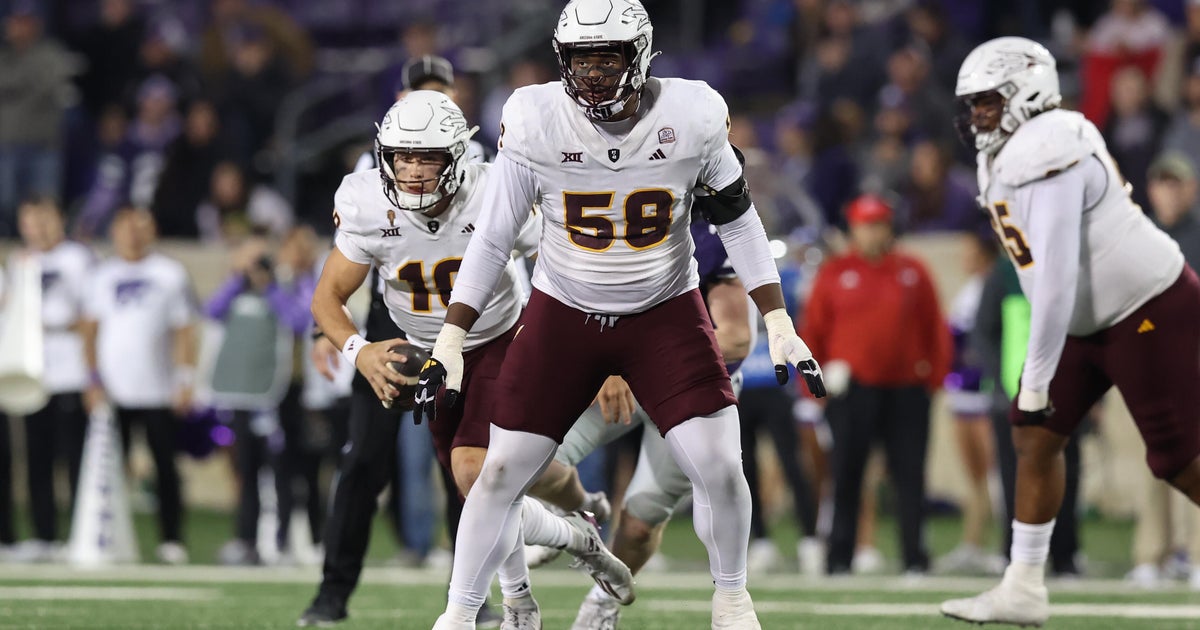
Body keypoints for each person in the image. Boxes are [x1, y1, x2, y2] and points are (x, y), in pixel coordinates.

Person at [417, 1, 826, 627]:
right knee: (498, 473)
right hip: (563, 313)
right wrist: (451, 337)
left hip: (664, 312)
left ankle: (732, 599)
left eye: (606, 60)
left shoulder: (692, 114)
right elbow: (493, 238)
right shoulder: (534, 117)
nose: (591, 75)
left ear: (639, 58)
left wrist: (777, 320)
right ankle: (459, 615)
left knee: (721, 465)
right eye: (579, 61)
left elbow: (739, 221)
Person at [302, 91, 632, 628]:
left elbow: (569, 264)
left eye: (427, 157)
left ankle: (517, 600)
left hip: (501, 338)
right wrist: (359, 353)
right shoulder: (366, 200)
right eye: (402, 156)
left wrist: (603, 352)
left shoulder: (496, 189)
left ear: (457, 157)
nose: (412, 170)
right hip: (428, 356)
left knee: (475, 474)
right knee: (491, 481)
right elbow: (327, 297)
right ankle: (583, 515)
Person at [942, 37, 1200, 626]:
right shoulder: (1003, 153)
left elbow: (1055, 273)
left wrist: (1035, 378)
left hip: (1147, 307)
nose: (976, 115)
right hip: (1087, 320)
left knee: (1179, 461)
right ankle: (1023, 588)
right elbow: (1043, 276)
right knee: (1035, 436)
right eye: (973, 104)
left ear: (1025, 93)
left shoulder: (1052, 143)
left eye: (987, 101)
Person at [553, 212, 757, 629]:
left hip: (692, 386)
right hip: (617, 380)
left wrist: (634, 360)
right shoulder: (612, 217)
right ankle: (576, 519)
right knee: (531, 460)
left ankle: (603, 599)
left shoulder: (713, 234)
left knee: (642, 523)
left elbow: (736, 337)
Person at [801, 194, 952, 575]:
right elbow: (812, 332)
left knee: (909, 476)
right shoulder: (834, 273)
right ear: (854, 228)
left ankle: (914, 558)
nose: (874, 232)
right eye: (867, 224)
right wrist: (813, 388)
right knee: (846, 476)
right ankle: (839, 559)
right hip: (852, 392)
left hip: (907, 390)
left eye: (880, 224)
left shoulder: (912, 270)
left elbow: (935, 327)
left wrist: (934, 379)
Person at [80, 207, 196, 565]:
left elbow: (184, 330)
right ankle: (111, 538)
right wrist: (92, 379)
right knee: (110, 469)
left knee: (165, 468)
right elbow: (90, 331)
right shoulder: (102, 275)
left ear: (152, 231)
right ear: (114, 233)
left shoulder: (169, 273)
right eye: (126, 228)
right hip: (113, 390)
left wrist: (185, 378)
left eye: (140, 228)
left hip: (158, 389)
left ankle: (171, 539)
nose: (132, 235)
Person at [6, 199, 92, 562]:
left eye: (45, 220)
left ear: (59, 220)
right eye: (30, 221)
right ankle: (44, 535)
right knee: (36, 457)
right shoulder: (19, 262)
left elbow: (89, 313)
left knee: (73, 458)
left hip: (69, 369)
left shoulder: (78, 258)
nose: (38, 228)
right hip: (33, 371)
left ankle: (80, 536)